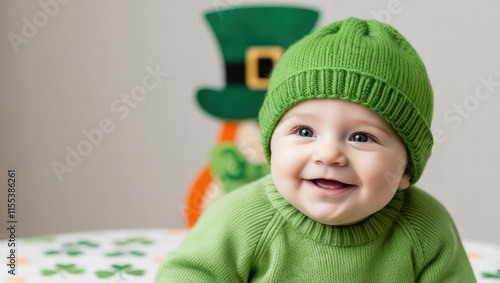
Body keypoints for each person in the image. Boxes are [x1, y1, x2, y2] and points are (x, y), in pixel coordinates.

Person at [156, 17, 476, 282]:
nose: (329, 155)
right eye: (305, 131)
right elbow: (187, 275)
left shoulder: (425, 227)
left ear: (406, 170)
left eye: (361, 138)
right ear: (271, 146)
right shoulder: (240, 218)